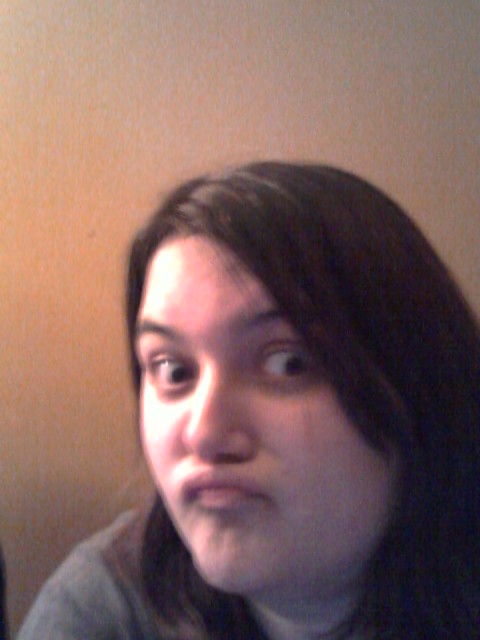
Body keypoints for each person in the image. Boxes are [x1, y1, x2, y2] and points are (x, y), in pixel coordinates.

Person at [18, 162, 479, 639]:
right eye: (174, 370)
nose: (203, 434)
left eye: (289, 363)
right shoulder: (101, 606)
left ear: (420, 383)